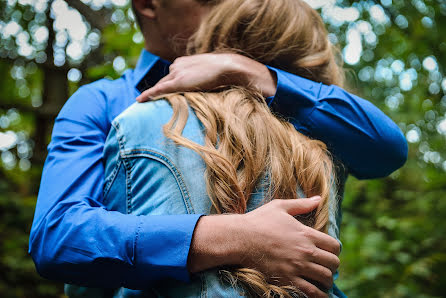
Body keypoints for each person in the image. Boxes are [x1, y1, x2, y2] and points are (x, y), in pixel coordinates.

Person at [29, 0, 408, 297]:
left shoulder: (283, 99)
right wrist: (234, 238)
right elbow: (58, 236)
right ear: (149, 4)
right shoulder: (109, 103)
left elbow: (387, 149)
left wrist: (252, 73)